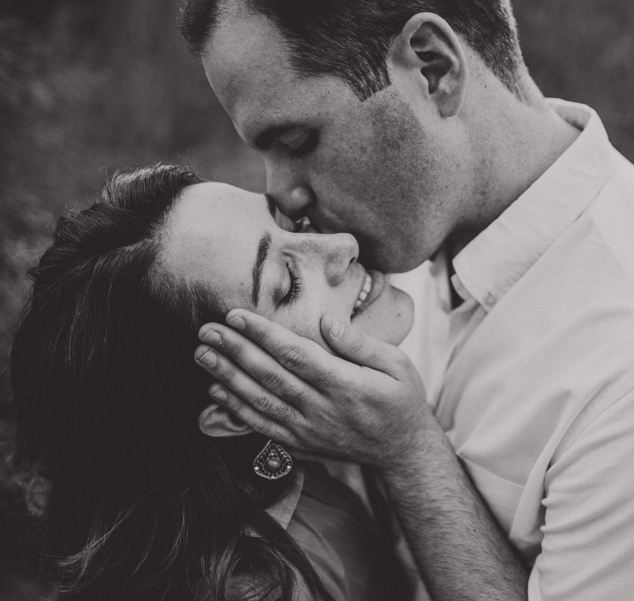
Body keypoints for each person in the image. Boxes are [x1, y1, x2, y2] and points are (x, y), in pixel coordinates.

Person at [180, 1, 634, 599]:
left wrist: (409, 455)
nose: (281, 193)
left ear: (432, 69)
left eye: (297, 142)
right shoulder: (398, 242)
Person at [10, 165, 414, 601]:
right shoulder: (267, 588)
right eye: (288, 284)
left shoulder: (322, 449)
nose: (342, 244)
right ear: (231, 410)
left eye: (291, 225)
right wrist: (410, 449)